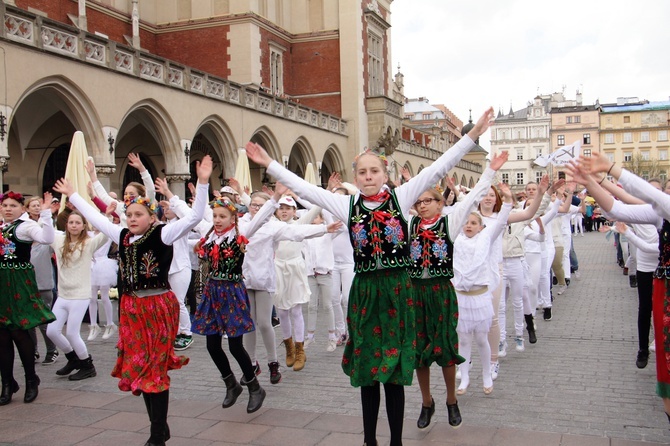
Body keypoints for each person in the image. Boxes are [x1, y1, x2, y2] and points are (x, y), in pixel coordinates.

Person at [245, 107, 494, 446]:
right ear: (355, 176)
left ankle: (394, 440)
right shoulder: (348, 207)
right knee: (367, 372)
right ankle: (369, 440)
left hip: (396, 290)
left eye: (374, 170)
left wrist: (473, 134)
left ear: (384, 172)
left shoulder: (400, 196)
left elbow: (440, 166)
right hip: (364, 292)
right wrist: (269, 163)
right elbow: (305, 188)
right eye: (361, 172)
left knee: (391, 373)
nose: (368, 176)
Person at [53, 155, 213, 445]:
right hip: (132, 308)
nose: (131, 219)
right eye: (129, 215)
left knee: (156, 368)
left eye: (138, 215)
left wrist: (202, 183)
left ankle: (156, 434)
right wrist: (73, 195)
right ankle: (159, 427)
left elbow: (194, 217)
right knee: (140, 365)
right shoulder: (123, 235)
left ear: (151, 217)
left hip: (158, 307)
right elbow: (98, 218)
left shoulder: (164, 233)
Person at [410, 151, 507, 430]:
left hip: (441, 290)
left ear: (440, 204)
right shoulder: (410, 224)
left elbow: (474, 196)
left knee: (445, 348)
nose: (422, 205)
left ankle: (452, 399)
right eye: (419, 202)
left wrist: (490, 171)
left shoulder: (449, 224)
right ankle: (427, 402)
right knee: (420, 352)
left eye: (428, 200)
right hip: (417, 292)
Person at [575, 152, 670, 424]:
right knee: (666, 361)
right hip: (665, 290)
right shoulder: (660, 214)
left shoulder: (663, 205)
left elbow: (656, 198)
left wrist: (611, 169)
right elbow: (618, 209)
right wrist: (591, 183)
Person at [240, 190, 333, 384]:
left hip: (295, 269)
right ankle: (288, 347)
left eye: (288, 208)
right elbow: (257, 207)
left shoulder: (295, 224)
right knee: (282, 312)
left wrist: (326, 193)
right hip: (277, 269)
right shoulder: (266, 223)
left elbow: (311, 213)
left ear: (294, 211)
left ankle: (300, 350)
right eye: (280, 207)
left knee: (296, 310)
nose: (283, 211)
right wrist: (242, 192)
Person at [454, 184, 513, 396]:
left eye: (473, 223)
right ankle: (465, 377)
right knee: (463, 339)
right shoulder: (457, 241)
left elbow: (501, 221)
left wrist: (507, 200)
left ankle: (487, 373)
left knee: (481, 338)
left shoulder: (486, 238)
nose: (468, 226)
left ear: (481, 227)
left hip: (480, 297)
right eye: (466, 223)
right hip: (462, 297)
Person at [0, 191, 55, 406]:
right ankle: (7, 383)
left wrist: (47, 214)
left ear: (22, 209)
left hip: (19, 283)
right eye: (5, 205)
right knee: (2, 334)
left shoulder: (25, 227)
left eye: (13, 205)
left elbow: (47, 238)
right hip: (1, 283)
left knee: (20, 331)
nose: (7, 209)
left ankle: (31, 379)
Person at [46, 211, 107, 381]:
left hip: (80, 295)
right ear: (66, 225)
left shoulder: (88, 243)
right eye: (71, 222)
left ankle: (88, 366)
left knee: (72, 333)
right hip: (63, 295)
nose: (74, 225)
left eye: (77, 222)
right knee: (52, 331)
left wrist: (106, 216)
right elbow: (46, 232)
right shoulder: (58, 240)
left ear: (83, 226)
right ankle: (73, 359)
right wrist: (45, 211)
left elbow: (105, 235)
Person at [25, 196, 59, 365]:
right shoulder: (23, 245)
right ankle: (33, 351)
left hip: (44, 285)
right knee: (28, 323)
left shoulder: (44, 244)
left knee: (43, 321)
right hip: (26, 287)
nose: (37, 207)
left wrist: (48, 215)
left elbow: (49, 233)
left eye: (39, 205)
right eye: (34, 205)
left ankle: (52, 350)